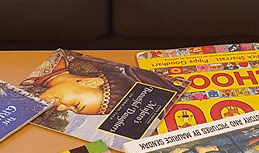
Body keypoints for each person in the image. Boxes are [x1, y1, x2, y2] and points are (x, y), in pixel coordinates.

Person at [21, 49, 182, 115]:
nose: (61, 108)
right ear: (91, 83)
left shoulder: (33, 86)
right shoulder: (48, 59)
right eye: (75, 104)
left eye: (71, 109)